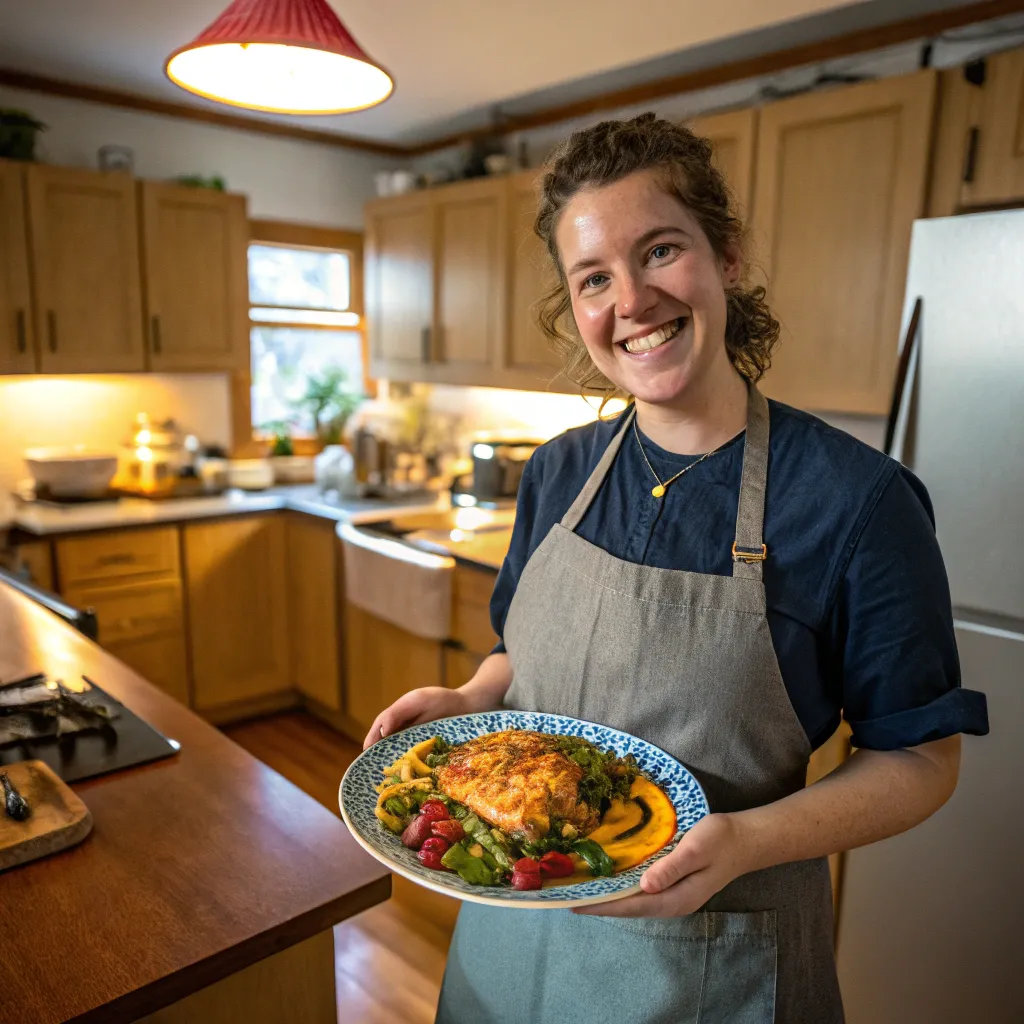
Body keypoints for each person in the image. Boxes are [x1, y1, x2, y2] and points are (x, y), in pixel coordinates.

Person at [364, 112, 989, 1024]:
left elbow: (922, 759)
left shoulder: (856, 503)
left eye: (660, 251)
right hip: (511, 939)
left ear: (726, 254)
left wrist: (742, 841)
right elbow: (520, 660)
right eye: (594, 279)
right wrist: (472, 698)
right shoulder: (559, 472)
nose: (632, 302)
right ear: (575, 308)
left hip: (718, 958)